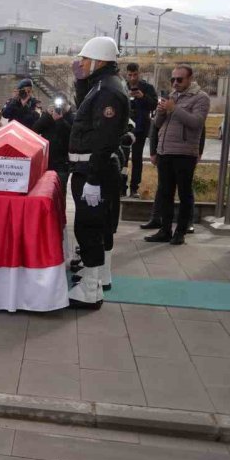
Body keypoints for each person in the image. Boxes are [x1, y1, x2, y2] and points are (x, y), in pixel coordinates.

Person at [66, 36, 129, 308]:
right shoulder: (102, 85)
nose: (81, 63)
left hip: (95, 169)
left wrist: (92, 180)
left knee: (89, 227)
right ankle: (99, 277)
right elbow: (86, 112)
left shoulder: (108, 91)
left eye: (85, 59)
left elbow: (104, 138)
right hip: (92, 167)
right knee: (97, 225)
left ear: (99, 60)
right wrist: (81, 80)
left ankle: (91, 290)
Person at [143, 65, 209, 246]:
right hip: (165, 152)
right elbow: (157, 124)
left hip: (184, 153)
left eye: (179, 79)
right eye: (173, 79)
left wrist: (174, 109)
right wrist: (161, 111)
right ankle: (165, 230)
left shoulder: (201, 98)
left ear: (190, 79)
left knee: (184, 192)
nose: (175, 83)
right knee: (165, 192)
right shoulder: (172, 96)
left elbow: (196, 123)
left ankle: (180, 232)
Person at [124, 63, 158, 198]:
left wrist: (142, 96)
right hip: (125, 129)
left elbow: (154, 104)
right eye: (130, 75)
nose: (132, 78)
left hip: (141, 128)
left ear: (139, 73)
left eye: (135, 75)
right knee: (124, 159)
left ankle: (134, 188)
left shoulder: (147, 88)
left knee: (137, 159)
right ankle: (122, 186)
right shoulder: (122, 86)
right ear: (127, 74)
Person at [32, 92, 74, 197]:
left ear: (66, 103)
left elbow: (70, 135)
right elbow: (35, 130)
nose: (59, 106)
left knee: (60, 195)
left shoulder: (71, 117)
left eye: (61, 103)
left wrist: (60, 120)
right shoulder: (48, 117)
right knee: (45, 194)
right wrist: (46, 114)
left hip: (62, 163)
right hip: (47, 162)